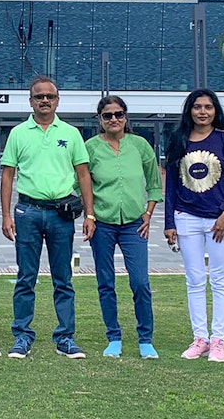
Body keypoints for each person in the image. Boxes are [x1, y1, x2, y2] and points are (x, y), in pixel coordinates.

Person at [0, 76, 95, 359]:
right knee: (25, 278)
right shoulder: (18, 133)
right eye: (38, 96)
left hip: (61, 215)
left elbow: (83, 175)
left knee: (63, 278)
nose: (44, 100)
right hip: (28, 212)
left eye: (49, 97)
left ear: (57, 100)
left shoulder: (71, 133)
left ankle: (65, 337)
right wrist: (6, 215)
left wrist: (90, 213)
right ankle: (22, 336)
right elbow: (7, 176)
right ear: (30, 101)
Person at [164, 89, 224, 363]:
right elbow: (172, 185)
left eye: (208, 107)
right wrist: (169, 222)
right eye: (197, 107)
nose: (202, 112)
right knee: (195, 279)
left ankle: (219, 340)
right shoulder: (178, 140)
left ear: (215, 110)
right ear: (189, 110)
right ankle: (200, 338)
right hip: (186, 218)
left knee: (220, 279)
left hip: (219, 220)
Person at [84, 95, 161, 359]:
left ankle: (145, 338)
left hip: (134, 224)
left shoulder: (140, 145)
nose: (114, 119)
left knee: (140, 282)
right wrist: (89, 215)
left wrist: (149, 213)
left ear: (126, 117)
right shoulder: (91, 147)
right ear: (100, 120)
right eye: (107, 116)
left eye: (118, 114)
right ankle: (113, 336)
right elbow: (82, 185)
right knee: (106, 282)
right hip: (102, 224)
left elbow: (154, 183)